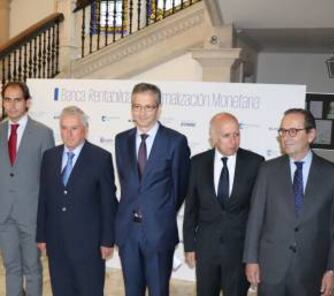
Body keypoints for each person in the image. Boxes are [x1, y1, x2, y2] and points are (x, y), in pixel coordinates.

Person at [243, 108, 334, 296]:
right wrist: (251, 259)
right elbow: (256, 217)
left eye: (293, 131)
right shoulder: (268, 170)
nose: (286, 137)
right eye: (283, 131)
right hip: (271, 268)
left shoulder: (333, 174)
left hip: (311, 271)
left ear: (311, 135)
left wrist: (333, 270)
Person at [115, 82, 191, 296]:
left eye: (148, 107)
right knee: (132, 291)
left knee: (158, 291)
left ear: (158, 108)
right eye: (137, 106)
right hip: (128, 232)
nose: (142, 112)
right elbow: (127, 183)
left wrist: (158, 213)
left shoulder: (175, 141)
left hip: (159, 231)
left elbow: (179, 187)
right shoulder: (121, 140)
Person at [36, 106, 118, 296]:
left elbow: (108, 202)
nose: (68, 134)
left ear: (85, 129)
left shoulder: (101, 158)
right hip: (57, 243)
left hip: (89, 245)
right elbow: (44, 198)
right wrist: (41, 234)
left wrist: (107, 240)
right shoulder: (49, 157)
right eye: (64, 128)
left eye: (74, 128)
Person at [183, 112, 264, 296]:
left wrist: (254, 255)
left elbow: (258, 213)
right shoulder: (197, 163)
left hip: (239, 252)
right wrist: (189, 245)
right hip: (206, 250)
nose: (233, 141)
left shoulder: (255, 163)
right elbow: (191, 209)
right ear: (213, 137)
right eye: (227, 135)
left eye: (237, 134)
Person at [0, 81, 54, 296]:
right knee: (11, 268)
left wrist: (46, 217)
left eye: (17, 100)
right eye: (7, 100)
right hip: (4, 216)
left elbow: (50, 181)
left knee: (32, 269)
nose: (12, 105)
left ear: (27, 102)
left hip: (31, 216)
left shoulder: (43, 133)